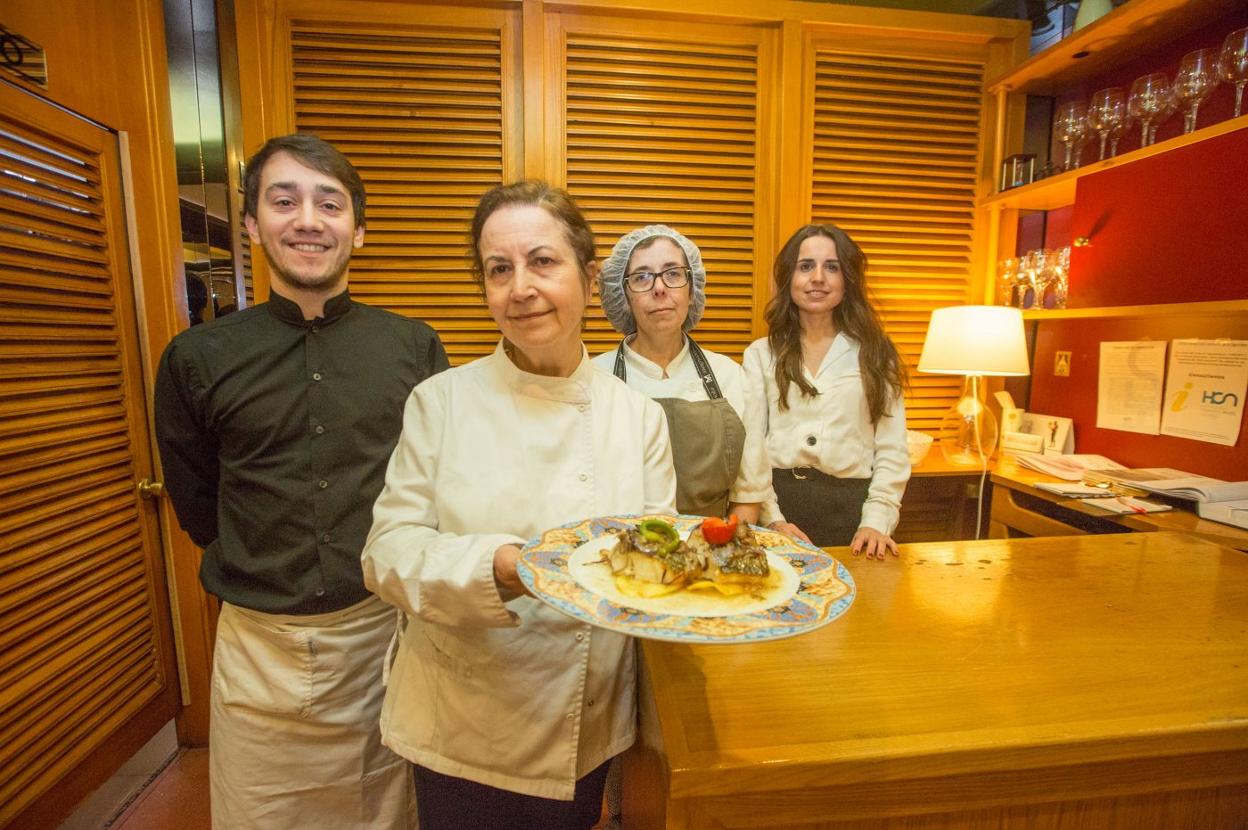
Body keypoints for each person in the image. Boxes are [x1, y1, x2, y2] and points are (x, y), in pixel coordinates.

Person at [361, 181, 676, 830]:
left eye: (542, 261)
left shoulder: (637, 416)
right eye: (498, 269)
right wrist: (504, 565)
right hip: (462, 719)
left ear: (589, 277)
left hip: (582, 717)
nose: (520, 287)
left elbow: (657, 559)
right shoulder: (440, 401)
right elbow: (385, 552)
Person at [154, 133, 447, 829]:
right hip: (259, 651)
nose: (308, 220)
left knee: (387, 813)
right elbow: (197, 502)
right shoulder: (197, 357)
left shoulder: (412, 346)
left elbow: (439, 486)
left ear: (359, 229)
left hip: (382, 637)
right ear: (252, 223)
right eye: (284, 201)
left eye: (330, 203)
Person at [593, 224, 807, 532]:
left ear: (692, 290)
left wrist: (712, 546)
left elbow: (749, 495)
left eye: (673, 273)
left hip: (711, 552)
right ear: (623, 295)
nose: (659, 288)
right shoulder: (596, 379)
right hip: (620, 551)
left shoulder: (731, 377)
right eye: (641, 277)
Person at [743, 223, 910, 558]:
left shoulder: (876, 353)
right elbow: (752, 449)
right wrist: (772, 520)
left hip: (855, 517)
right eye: (806, 266)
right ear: (789, 277)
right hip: (781, 512)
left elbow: (892, 449)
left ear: (847, 279)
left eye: (831, 267)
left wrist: (876, 521)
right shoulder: (761, 354)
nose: (818, 277)